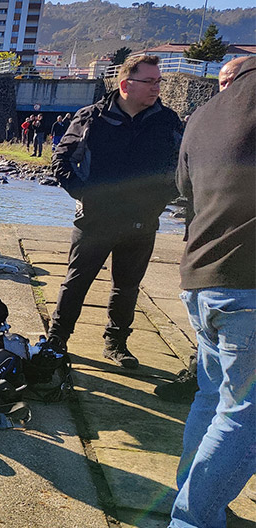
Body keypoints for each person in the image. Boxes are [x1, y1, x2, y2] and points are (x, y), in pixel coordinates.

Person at [162, 55, 255, 528]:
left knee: (213, 397)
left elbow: (185, 191)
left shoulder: (203, 115)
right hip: (251, 284)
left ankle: (193, 494)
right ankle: (194, 525)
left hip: (202, 278)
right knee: (246, 413)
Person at [46, 55, 182, 367]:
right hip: (95, 219)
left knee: (127, 286)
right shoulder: (91, 117)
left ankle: (116, 343)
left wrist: (159, 201)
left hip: (141, 221)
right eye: (150, 81)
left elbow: (183, 168)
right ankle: (57, 339)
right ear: (125, 85)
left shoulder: (167, 121)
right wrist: (87, 197)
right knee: (76, 281)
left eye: (159, 81)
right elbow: (61, 161)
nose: (156, 87)